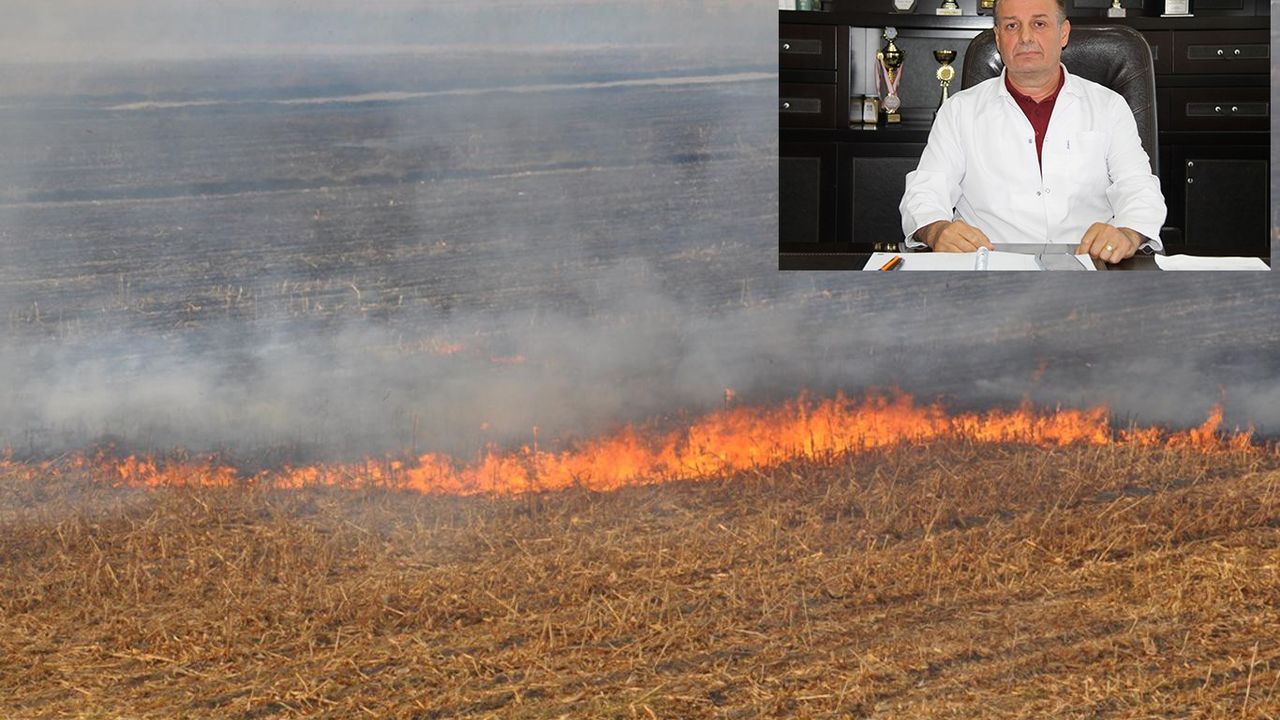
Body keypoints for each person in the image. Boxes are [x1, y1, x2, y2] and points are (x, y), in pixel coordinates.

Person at [898, 0, 1166, 263]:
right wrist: (937, 230)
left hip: (1087, 267)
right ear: (998, 38)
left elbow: (1138, 188)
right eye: (1012, 26)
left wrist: (1128, 233)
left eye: (1039, 24)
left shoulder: (1108, 106)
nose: (1025, 37)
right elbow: (926, 192)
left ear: (1063, 33)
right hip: (990, 268)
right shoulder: (959, 111)